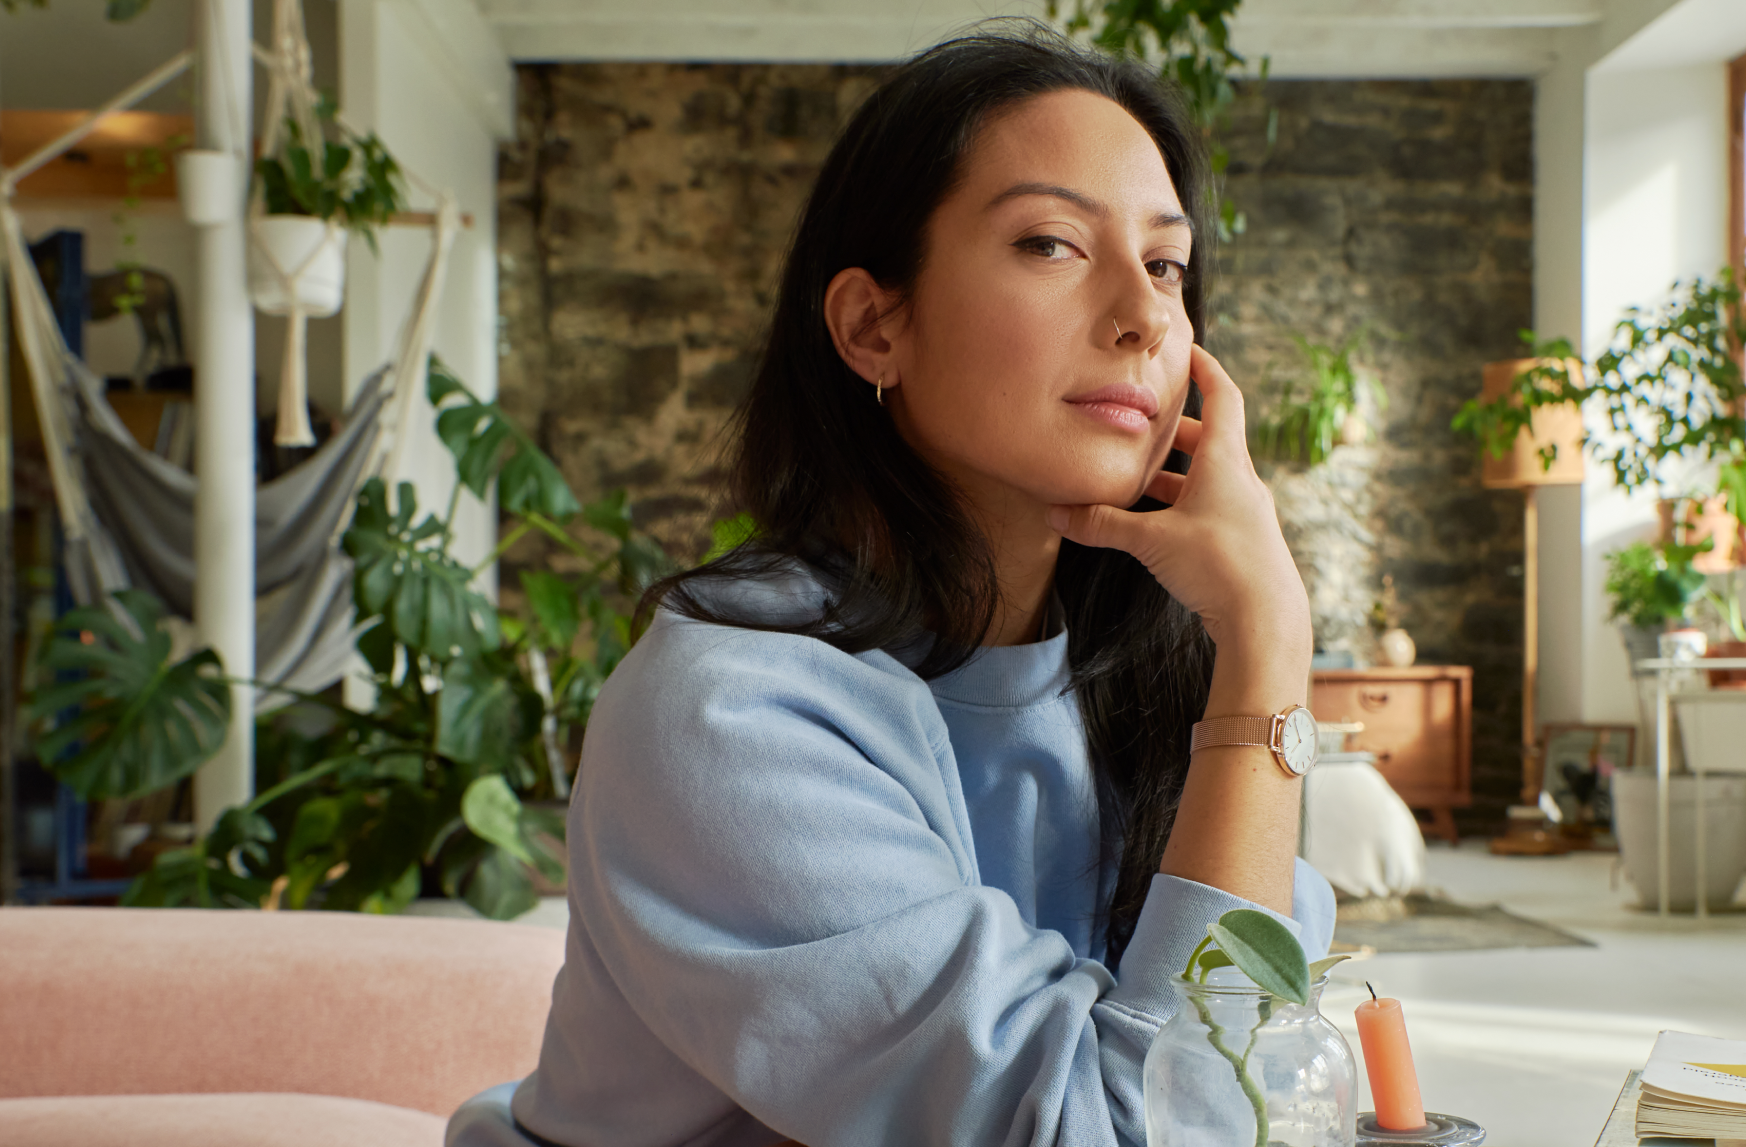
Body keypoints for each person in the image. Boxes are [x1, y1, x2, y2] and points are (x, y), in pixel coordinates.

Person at [449, 23, 1335, 1147]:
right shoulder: (725, 718)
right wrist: (1269, 638)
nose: (1146, 314)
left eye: (1166, 262)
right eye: (1054, 243)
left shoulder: (1148, 683)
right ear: (874, 324)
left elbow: (1281, 1085)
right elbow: (1168, 1129)